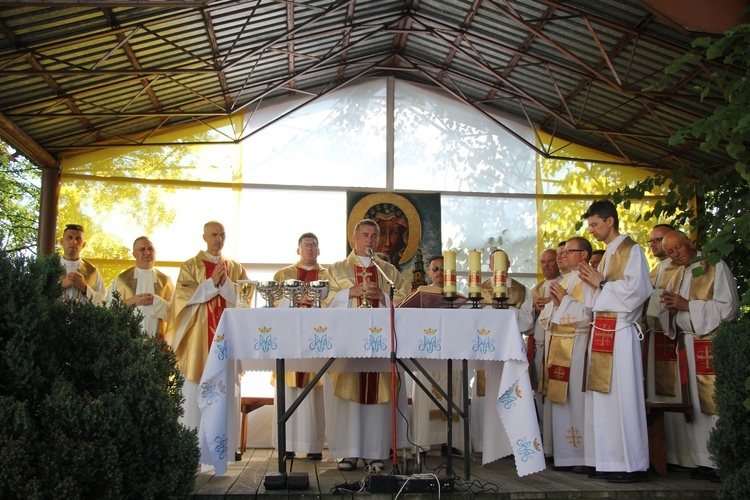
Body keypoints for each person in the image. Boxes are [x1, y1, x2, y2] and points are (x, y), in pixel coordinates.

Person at [322, 219, 409, 471]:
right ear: (354, 238)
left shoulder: (388, 271)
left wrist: (382, 296)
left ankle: (375, 452)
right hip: (347, 343)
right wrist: (350, 292)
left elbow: (403, 297)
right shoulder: (337, 269)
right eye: (365, 235)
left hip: (379, 344)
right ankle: (348, 452)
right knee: (348, 399)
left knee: (378, 397)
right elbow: (324, 298)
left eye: (374, 236)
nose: (369, 239)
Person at [576, 200, 653, 483]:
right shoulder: (608, 253)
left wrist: (602, 285)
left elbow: (639, 290)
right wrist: (592, 285)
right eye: (590, 226)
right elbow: (599, 294)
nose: (592, 231)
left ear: (610, 221)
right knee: (602, 399)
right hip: (603, 330)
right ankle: (605, 460)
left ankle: (630, 464)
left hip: (621, 332)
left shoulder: (632, 250)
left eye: (595, 224)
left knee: (622, 399)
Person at [660, 230, 739, 481]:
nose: (675, 255)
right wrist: (667, 311)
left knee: (712, 403)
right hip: (686, 343)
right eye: (670, 252)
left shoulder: (715, 266)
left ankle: (720, 460)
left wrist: (687, 306)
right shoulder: (678, 274)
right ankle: (702, 460)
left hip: (709, 344)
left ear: (690, 243)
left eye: (678, 249)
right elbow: (672, 309)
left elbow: (729, 309)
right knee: (692, 405)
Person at [165, 221, 249, 432]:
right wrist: (211, 283)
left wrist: (225, 284)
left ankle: (224, 445)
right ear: (204, 237)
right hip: (197, 339)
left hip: (226, 336)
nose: (218, 239)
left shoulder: (236, 267)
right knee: (194, 388)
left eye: (222, 235)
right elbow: (183, 298)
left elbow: (244, 298)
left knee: (225, 387)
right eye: (213, 235)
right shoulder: (190, 266)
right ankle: (191, 440)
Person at [538, 237, 593, 470]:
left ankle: (581, 456)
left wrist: (563, 302)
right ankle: (563, 454)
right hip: (559, 346)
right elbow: (546, 317)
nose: (563, 256)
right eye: (563, 252)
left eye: (569, 251)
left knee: (576, 401)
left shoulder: (589, 278)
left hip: (578, 346)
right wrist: (557, 304)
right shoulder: (566, 280)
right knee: (560, 402)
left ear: (583, 255)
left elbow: (589, 314)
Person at [270, 232, 326, 460]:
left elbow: (335, 303)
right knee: (289, 390)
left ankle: (314, 446)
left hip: (318, 340)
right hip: (290, 339)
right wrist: (293, 301)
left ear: (319, 250)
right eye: (305, 245)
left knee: (315, 394)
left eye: (314, 245)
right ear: (298, 249)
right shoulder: (283, 274)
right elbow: (271, 301)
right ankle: (288, 445)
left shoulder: (328, 275)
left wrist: (316, 304)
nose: (310, 249)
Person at [641, 224, 692, 469]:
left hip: (675, 337)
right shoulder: (652, 271)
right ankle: (665, 453)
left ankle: (685, 455)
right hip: (654, 339)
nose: (654, 245)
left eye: (658, 240)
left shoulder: (682, 269)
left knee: (681, 392)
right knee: (655, 392)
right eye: (651, 241)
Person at [474, 249, 534, 451]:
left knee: (512, 392)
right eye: (494, 262)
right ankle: (484, 443)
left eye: (502, 262)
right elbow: (471, 319)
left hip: (512, 349)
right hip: (487, 348)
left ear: (508, 264)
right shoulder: (478, 289)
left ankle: (511, 444)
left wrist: (507, 310)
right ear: (489, 266)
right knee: (487, 394)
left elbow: (528, 322)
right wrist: (492, 310)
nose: (498, 266)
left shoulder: (522, 290)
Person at [411, 255, 464, 458]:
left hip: (452, 349)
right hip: (428, 349)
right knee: (426, 394)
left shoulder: (459, 296)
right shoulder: (421, 295)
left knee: (454, 394)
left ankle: (450, 442)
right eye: (436, 268)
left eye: (444, 268)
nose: (440, 272)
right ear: (428, 272)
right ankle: (423, 442)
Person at [107, 236, 174, 339]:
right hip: (128, 339)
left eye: (150, 249)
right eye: (142, 249)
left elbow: (175, 312)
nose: (147, 253)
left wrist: (155, 301)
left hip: (157, 340)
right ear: (134, 254)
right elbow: (109, 309)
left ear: (155, 252)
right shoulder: (122, 280)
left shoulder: (165, 281)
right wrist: (131, 302)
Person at [530, 248, 562, 455]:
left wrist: (551, 305)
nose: (547, 265)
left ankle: (556, 442)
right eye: (543, 262)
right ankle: (543, 440)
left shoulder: (565, 284)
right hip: (540, 348)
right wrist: (534, 309)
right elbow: (527, 322)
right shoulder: (536, 289)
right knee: (541, 396)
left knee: (555, 395)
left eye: (551, 261)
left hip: (559, 346)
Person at [58, 223, 107, 305]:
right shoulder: (49, 266)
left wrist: (85, 288)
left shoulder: (92, 272)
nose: (73, 242)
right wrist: (61, 285)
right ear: (62, 241)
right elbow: (37, 295)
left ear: (83, 245)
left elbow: (103, 301)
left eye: (78, 239)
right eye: (69, 237)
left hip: (83, 317)